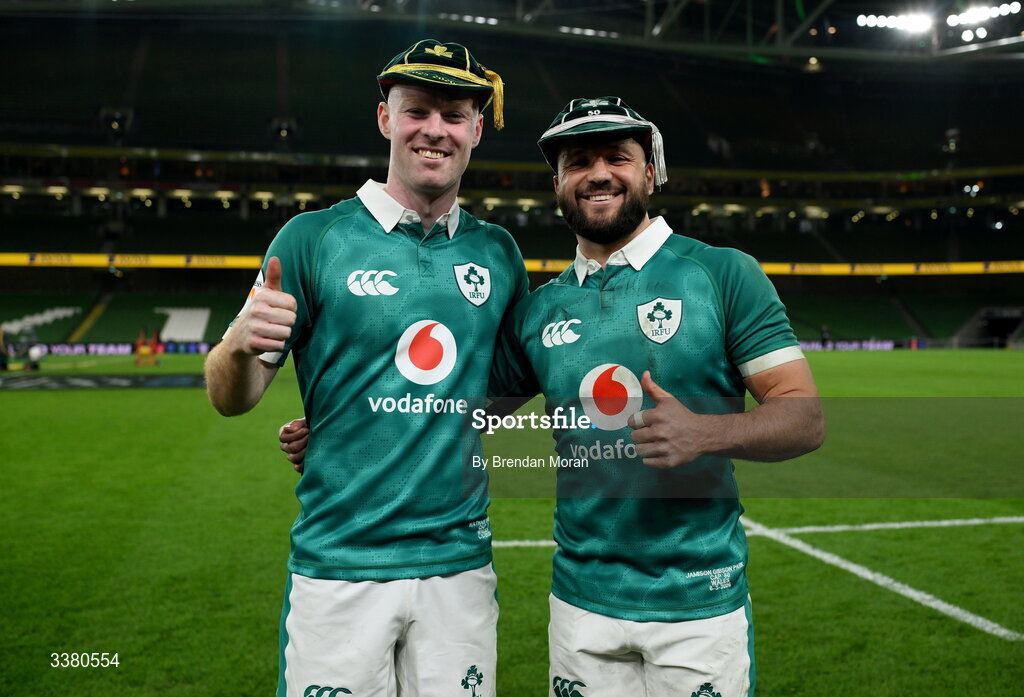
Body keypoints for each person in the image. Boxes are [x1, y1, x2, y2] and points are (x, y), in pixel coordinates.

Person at [281, 97, 825, 697]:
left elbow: (803, 415)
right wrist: (345, 428)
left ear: (649, 171)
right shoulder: (541, 311)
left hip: (698, 602)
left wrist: (708, 432)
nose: (598, 173)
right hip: (580, 609)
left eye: (618, 157)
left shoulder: (723, 275)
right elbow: (460, 405)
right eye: (577, 162)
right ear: (559, 184)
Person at [205, 40, 526, 697]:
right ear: (386, 118)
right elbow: (230, 397)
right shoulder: (311, 238)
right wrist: (238, 345)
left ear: (476, 130)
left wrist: (379, 421)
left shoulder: (499, 253)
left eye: (454, 114)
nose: (435, 129)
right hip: (340, 567)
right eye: (418, 111)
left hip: (458, 571)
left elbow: (502, 387)